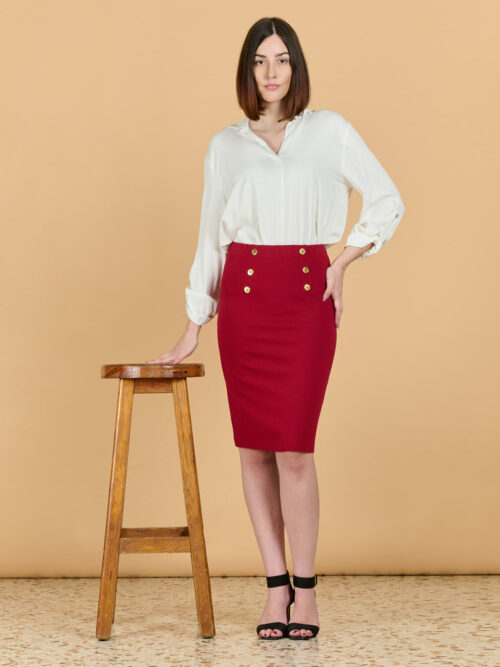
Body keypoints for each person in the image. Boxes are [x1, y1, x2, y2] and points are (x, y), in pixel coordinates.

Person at [146, 16, 405, 640]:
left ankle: (306, 592)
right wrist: (194, 322)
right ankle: (274, 588)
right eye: (260, 60)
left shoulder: (330, 131)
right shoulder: (225, 146)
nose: (271, 72)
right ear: (247, 69)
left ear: (296, 67)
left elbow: (387, 199)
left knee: (294, 448)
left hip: (305, 299)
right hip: (244, 301)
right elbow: (210, 237)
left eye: (281, 59)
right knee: (254, 449)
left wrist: (343, 261)